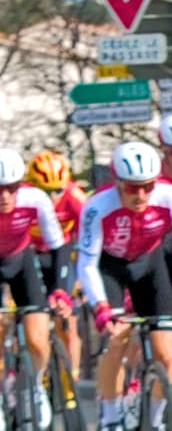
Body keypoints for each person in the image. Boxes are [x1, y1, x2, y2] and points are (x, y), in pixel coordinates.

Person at [76, 141, 172, 431]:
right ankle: (110, 419)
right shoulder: (98, 206)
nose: (140, 196)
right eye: (132, 188)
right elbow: (86, 263)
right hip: (109, 269)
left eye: (147, 187)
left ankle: (156, 427)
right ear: (117, 183)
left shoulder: (171, 197)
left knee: (167, 356)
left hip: (149, 267)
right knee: (116, 339)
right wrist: (100, 307)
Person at [0, 148, 64, 431]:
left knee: (38, 337)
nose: (5, 196)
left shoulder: (35, 199)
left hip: (21, 260)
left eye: (12, 188)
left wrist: (60, 290)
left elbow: (58, 245)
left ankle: (37, 387)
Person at [25, 150, 85, 395]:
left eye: (57, 191)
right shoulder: (25, 197)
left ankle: (70, 379)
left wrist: (81, 283)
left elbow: (89, 241)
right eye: (44, 192)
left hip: (61, 255)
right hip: (30, 255)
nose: (51, 198)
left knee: (68, 321)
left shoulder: (74, 197)